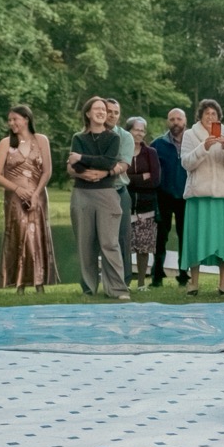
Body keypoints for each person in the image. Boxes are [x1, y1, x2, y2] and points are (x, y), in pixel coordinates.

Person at [0, 105, 58, 294]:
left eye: (15, 119)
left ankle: (40, 283)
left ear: (26, 119)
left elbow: (47, 171)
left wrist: (35, 194)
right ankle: (19, 284)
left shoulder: (41, 140)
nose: (11, 123)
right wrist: (17, 189)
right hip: (14, 197)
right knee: (19, 235)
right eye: (9, 120)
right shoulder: (5, 143)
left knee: (37, 235)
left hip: (38, 195)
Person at [68, 96, 130, 300]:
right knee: (85, 243)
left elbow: (109, 162)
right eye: (97, 108)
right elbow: (75, 167)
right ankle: (89, 288)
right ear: (88, 113)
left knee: (109, 243)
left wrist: (82, 158)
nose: (102, 112)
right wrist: (86, 169)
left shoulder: (113, 138)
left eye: (104, 109)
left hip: (106, 193)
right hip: (82, 193)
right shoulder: (78, 138)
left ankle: (117, 289)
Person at [180, 99, 224, 295]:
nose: (210, 117)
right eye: (206, 113)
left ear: (219, 117)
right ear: (200, 116)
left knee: (223, 240)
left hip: (223, 197)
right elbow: (186, 163)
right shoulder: (190, 135)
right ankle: (194, 283)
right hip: (198, 196)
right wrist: (203, 147)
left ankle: (223, 283)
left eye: (213, 114)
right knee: (196, 238)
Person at [149, 108, 189, 288]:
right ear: (168, 122)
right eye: (172, 119)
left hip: (186, 196)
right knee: (160, 237)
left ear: (185, 121)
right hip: (163, 196)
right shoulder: (158, 144)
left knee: (184, 236)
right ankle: (157, 275)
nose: (175, 122)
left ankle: (184, 274)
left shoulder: (193, 143)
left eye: (179, 119)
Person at [125, 116, 161, 290]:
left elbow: (155, 180)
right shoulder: (121, 151)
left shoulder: (150, 153)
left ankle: (141, 283)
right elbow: (119, 179)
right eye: (136, 130)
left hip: (147, 206)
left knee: (143, 247)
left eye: (142, 130)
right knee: (124, 246)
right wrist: (141, 177)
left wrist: (130, 179)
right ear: (128, 131)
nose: (139, 133)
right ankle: (123, 282)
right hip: (125, 205)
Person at [105, 99, 134, 287]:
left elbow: (122, 164)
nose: (112, 115)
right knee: (103, 239)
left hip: (119, 191)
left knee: (122, 238)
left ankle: (124, 281)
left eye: (116, 112)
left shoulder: (125, 137)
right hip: (97, 192)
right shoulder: (92, 135)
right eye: (109, 111)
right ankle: (107, 279)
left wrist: (100, 169)